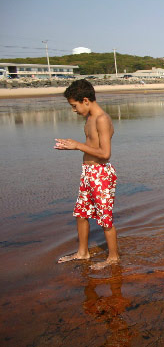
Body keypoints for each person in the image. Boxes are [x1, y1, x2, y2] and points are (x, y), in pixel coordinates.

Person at [55, 79, 119, 270]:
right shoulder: (89, 118)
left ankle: (113, 257)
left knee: (105, 218)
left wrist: (77, 145)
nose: (74, 110)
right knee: (81, 213)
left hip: (100, 174)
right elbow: (91, 146)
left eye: (74, 106)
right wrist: (75, 147)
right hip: (88, 172)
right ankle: (83, 252)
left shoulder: (101, 119)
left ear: (85, 100)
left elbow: (105, 153)